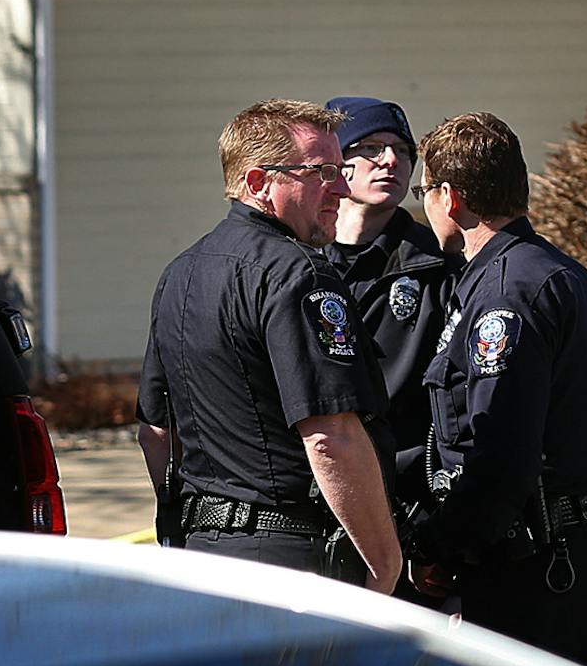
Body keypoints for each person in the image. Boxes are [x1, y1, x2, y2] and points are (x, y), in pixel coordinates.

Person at [136, 99, 402, 591]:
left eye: (341, 170)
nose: (342, 188)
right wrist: (384, 564)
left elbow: (156, 434)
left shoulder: (180, 273)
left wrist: (189, 524)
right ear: (259, 183)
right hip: (292, 561)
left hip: (201, 555)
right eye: (322, 172)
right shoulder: (300, 275)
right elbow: (331, 438)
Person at [406, 112, 587, 666]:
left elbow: (501, 451)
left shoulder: (506, 294)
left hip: (534, 567)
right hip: (579, 551)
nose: (423, 205)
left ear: (451, 198)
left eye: (423, 191)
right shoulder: (559, 273)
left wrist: (437, 545)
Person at [321, 97, 457, 506]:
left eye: (402, 150)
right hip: (315, 490)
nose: (391, 161)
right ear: (336, 162)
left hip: (411, 492)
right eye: (371, 148)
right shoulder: (296, 261)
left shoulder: (439, 263)